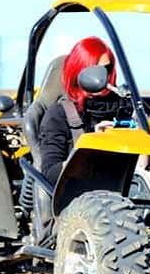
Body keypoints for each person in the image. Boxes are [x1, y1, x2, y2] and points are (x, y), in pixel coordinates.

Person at [39, 37, 132, 185]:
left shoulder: (128, 107)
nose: (102, 78)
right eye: (95, 72)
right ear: (79, 72)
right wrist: (90, 148)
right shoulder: (60, 114)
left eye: (107, 69)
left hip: (133, 189)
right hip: (84, 196)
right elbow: (50, 173)